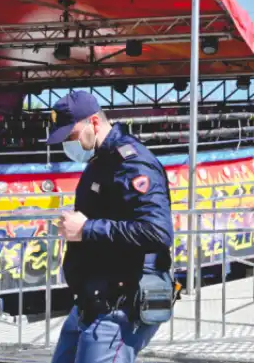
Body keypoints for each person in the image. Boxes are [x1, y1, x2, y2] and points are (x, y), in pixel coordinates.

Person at [47, 91, 175, 363]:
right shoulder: (101, 161)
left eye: (71, 136)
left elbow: (158, 232)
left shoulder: (131, 162)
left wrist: (86, 229)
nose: (69, 144)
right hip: (91, 299)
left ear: (94, 122)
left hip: (121, 303)